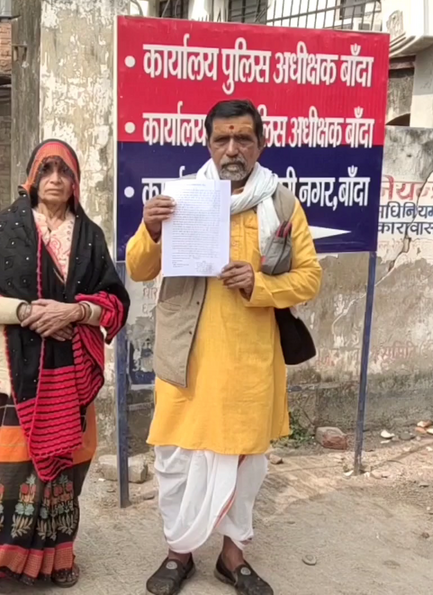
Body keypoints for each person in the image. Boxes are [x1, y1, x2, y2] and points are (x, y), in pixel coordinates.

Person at [127, 99, 323, 595]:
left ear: (262, 143)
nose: (232, 149)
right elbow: (139, 268)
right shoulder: (181, 199)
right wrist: (151, 229)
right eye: (222, 139)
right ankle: (179, 552)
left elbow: (309, 278)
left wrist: (261, 283)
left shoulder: (281, 203)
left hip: (250, 362)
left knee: (246, 463)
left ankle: (232, 558)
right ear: (208, 143)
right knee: (177, 459)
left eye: (243, 139)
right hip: (187, 358)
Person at [0, 138, 130, 594]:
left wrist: (75, 312)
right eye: (47, 170)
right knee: (8, 468)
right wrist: (27, 313)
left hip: (71, 374)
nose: (56, 179)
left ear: (76, 183)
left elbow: (114, 300)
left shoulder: (89, 235)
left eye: (65, 171)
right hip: (12, 374)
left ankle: (58, 557)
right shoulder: (7, 226)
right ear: (32, 178)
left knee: (69, 464)